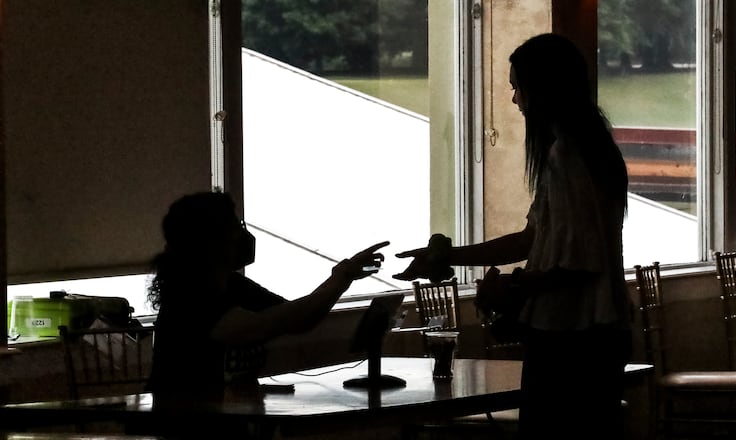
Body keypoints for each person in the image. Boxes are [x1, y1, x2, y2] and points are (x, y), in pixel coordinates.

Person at [394, 33, 632, 439]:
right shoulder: (592, 151)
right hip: (596, 337)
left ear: (542, 90)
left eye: (517, 87)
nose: (514, 99)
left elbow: (577, 265)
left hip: (571, 340)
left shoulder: (565, 157)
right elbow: (530, 240)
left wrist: (513, 288)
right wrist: (448, 256)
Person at [143, 191, 388, 437]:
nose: (243, 235)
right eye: (235, 225)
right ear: (210, 240)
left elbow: (300, 318)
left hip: (229, 423)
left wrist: (342, 277)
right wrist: (340, 278)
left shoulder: (233, 284)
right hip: (187, 427)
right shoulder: (189, 296)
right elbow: (265, 324)